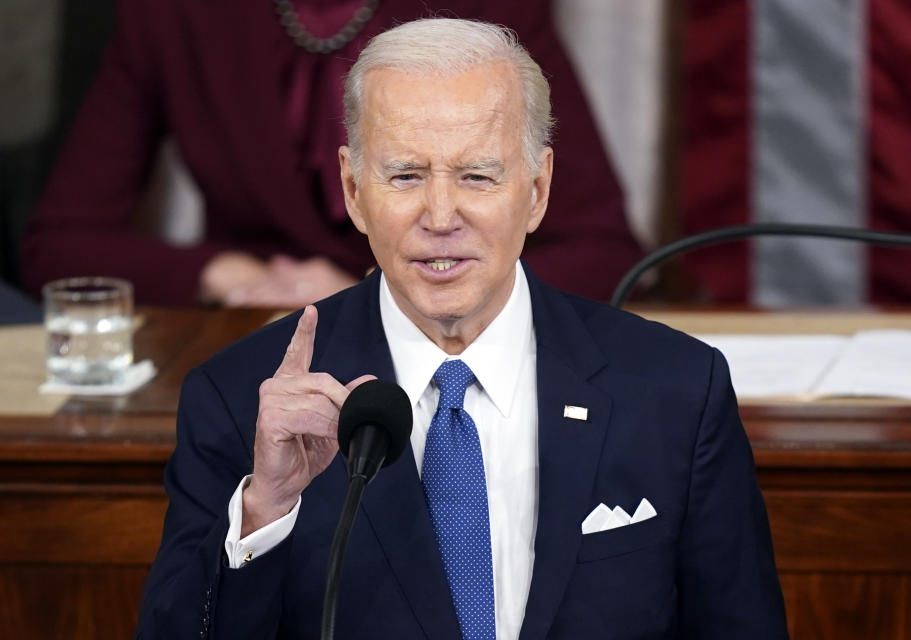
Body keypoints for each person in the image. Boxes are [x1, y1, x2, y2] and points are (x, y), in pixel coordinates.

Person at [136, 18, 788, 639]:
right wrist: (266, 510)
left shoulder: (676, 390)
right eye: (406, 175)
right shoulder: (242, 402)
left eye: (477, 175)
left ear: (536, 190)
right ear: (355, 189)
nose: (441, 215)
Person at [19, 0, 641, 307]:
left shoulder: (492, 8)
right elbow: (59, 246)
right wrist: (233, 275)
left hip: (445, 340)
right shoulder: (174, 12)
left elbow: (601, 251)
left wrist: (388, 293)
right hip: (256, 347)